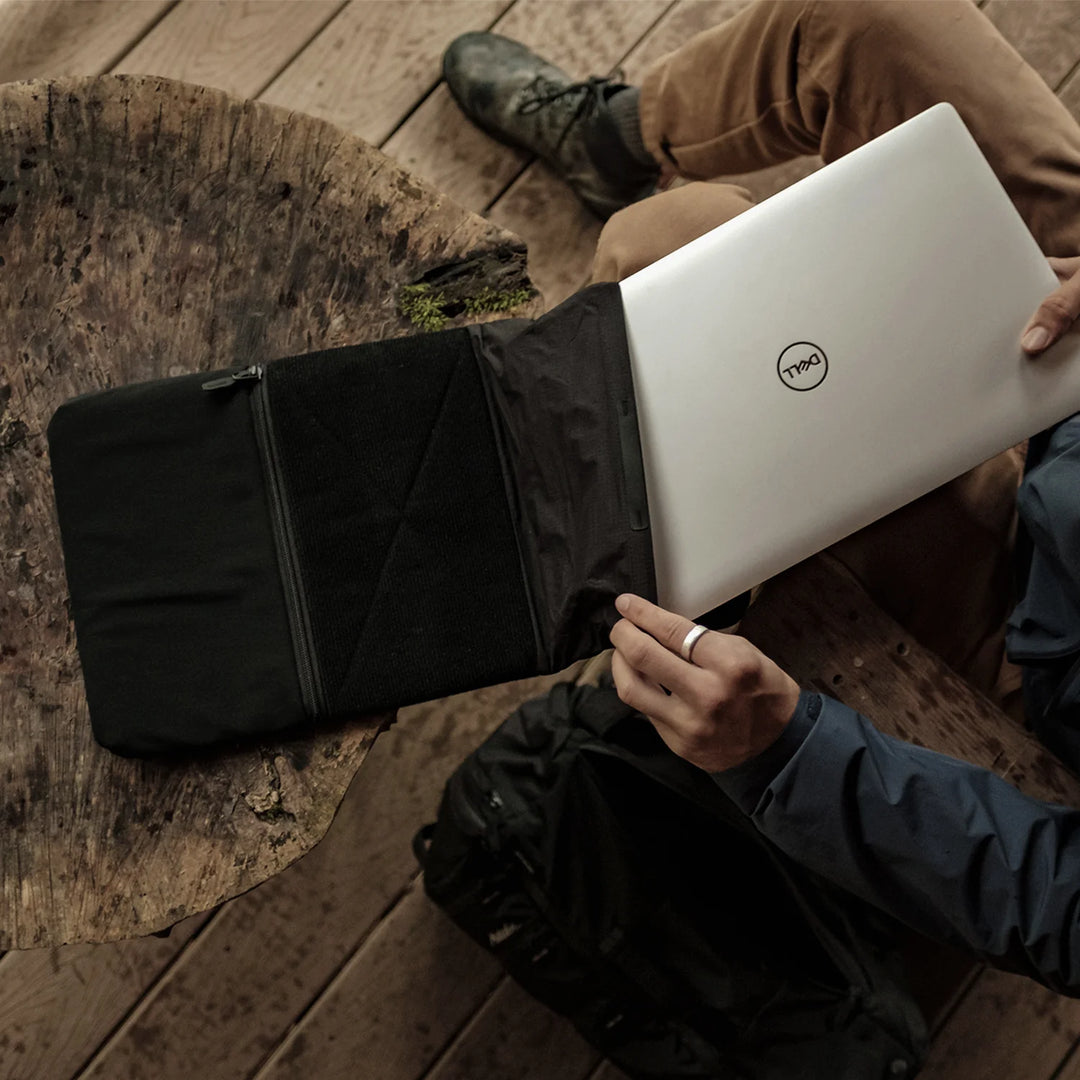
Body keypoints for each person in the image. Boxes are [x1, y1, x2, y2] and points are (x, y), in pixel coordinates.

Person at [443, 1, 1080, 996]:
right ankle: (618, 137)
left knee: (668, 249)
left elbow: (1059, 904)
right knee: (869, 21)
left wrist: (790, 761)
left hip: (1044, 633)